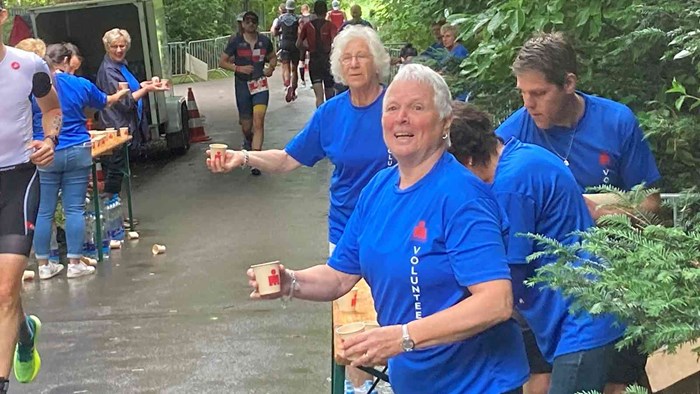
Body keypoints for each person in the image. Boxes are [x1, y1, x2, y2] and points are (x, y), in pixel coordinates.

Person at [245, 64, 529, 394]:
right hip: (418, 381)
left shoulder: (462, 196)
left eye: (417, 107)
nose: (401, 117)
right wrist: (289, 281)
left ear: (445, 123)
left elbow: (495, 302)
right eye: (392, 108)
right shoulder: (379, 187)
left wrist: (403, 337)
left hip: (479, 383)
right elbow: (339, 276)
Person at [210, 25, 394, 392]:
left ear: (377, 63)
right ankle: (361, 387)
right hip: (346, 232)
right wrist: (243, 156)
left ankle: (395, 382)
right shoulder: (331, 115)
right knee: (350, 318)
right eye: (347, 57)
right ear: (338, 66)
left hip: (395, 227)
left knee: (394, 312)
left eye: (362, 56)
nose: (354, 63)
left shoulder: (395, 107)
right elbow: (288, 159)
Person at [495, 31, 661, 394]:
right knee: (539, 382)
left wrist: (594, 207)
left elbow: (651, 203)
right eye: (522, 92)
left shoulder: (616, 122)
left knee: (616, 383)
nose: (528, 104)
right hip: (541, 288)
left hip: (616, 277)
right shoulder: (512, 134)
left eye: (538, 93)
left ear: (569, 83)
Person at [449, 101, 626, 394]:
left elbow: (504, 278)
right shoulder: (521, 154)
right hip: (587, 309)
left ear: (467, 160)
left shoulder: (510, 187)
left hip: (582, 320)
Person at [0, 1, 62, 390]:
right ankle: (24, 334)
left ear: (2, 15)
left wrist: (50, 140)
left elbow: (51, 109)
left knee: (6, 289)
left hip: (18, 179)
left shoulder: (29, 65)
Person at [32, 43, 130, 280]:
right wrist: (121, 93)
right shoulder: (80, 84)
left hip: (46, 150)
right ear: (66, 61)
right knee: (73, 208)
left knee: (43, 211)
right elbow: (105, 101)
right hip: (77, 149)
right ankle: (75, 263)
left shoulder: (35, 88)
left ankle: (44, 265)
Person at [96, 28, 163, 195]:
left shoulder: (120, 65)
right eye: (114, 46)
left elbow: (131, 88)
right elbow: (124, 102)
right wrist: (147, 90)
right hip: (115, 127)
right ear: (107, 47)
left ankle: (116, 212)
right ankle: (112, 213)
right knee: (114, 172)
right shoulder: (109, 70)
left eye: (122, 45)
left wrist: (145, 85)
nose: (119, 50)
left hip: (125, 125)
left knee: (119, 171)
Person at [218, 11, 277, 176]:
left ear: (257, 24)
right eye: (248, 21)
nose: (251, 24)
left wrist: (270, 68)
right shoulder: (235, 41)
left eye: (254, 21)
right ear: (243, 24)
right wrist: (238, 68)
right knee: (246, 126)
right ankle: (248, 141)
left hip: (260, 86)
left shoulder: (264, 41)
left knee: (259, 122)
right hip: (242, 85)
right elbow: (222, 62)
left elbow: (273, 57)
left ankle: (255, 161)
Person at [297, 0, 337, 107]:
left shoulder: (307, 25)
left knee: (319, 97)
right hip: (327, 62)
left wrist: (308, 47)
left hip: (314, 62)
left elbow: (298, 44)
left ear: (314, 11)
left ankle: (321, 120)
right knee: (330, 96)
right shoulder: (331, 26)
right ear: (325, 12)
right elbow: (335, 43)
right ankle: (330, 119)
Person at [275, 0, 300, 102]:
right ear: (294, 8)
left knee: (285, 67)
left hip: (284, 44)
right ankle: (293, 91)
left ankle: (287, 85)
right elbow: (300, 31)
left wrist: (281, 32)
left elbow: (275, 31)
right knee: (294, 69)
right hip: (295, 45)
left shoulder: (281, 18)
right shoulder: (298, 18)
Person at [297, 3, 313, 88]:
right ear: (308, 9)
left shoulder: (300, 19)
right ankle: (312, 80)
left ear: (301, 10)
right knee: (311, 61)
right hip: (311, 42)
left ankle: (303, 80)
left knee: (301, 61)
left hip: (302, 42)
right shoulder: (313, 18)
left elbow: (298, 31)